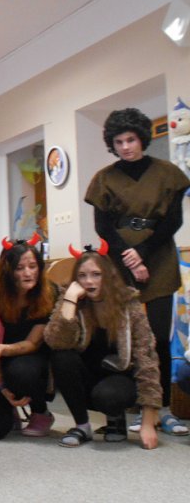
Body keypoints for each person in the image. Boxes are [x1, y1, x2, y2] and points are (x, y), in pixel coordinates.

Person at [85, 108, 190, 435]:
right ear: (112, 144)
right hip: (118, 261)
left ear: (142, 138)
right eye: (119, 142)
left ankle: (162, 409)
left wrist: (142, 253)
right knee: (123, 338)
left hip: (159, 255)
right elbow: (103, 227)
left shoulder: (168, 173)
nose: (126, 147)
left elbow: (174, 221)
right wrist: (129, 258)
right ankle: (131, 407)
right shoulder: (104, 178)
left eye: (130, 139)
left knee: (157, 337)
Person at [44, 244, 162, 449]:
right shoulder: (71, 300)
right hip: (87, 376)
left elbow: (147, 358)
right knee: (61, 357)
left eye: (96, 274)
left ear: (108, 275)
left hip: (119, 379)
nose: (89, 281)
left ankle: (116, 417)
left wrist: (147, 423)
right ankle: (82, 426)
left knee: (108, 396)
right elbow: (56, 341)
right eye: (82, 276)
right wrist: (70, 300)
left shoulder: (128, 303)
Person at [0, 236, 55, 440]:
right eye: (19, 268)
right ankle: (9, 407)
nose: (28, 273)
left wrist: (6, 349)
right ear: (8, 271)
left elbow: (33, 343)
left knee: (22, 372)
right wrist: (1, 387)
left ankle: (40, 412)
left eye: (32, 266)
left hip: (28, 358)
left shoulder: (48, 293)